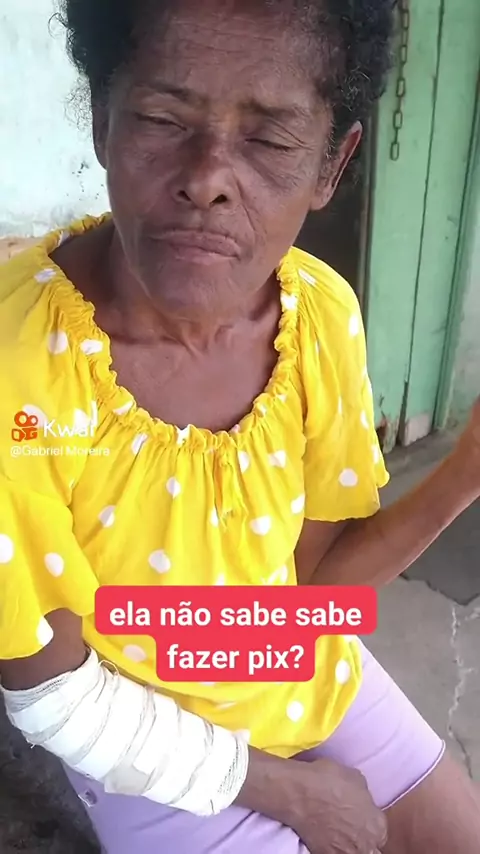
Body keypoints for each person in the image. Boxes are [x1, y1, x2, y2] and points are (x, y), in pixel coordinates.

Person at [0, 0, 479, 852]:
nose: (208, 178)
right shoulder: (21, 379)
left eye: (269, 139)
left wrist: (464, 472)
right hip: (136, 736)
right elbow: (54, 693)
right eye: (162, 119)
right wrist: (296, 794)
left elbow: (308, 590)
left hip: (285, 664)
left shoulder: (318, 316)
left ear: (332, 164)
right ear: (103, 122)